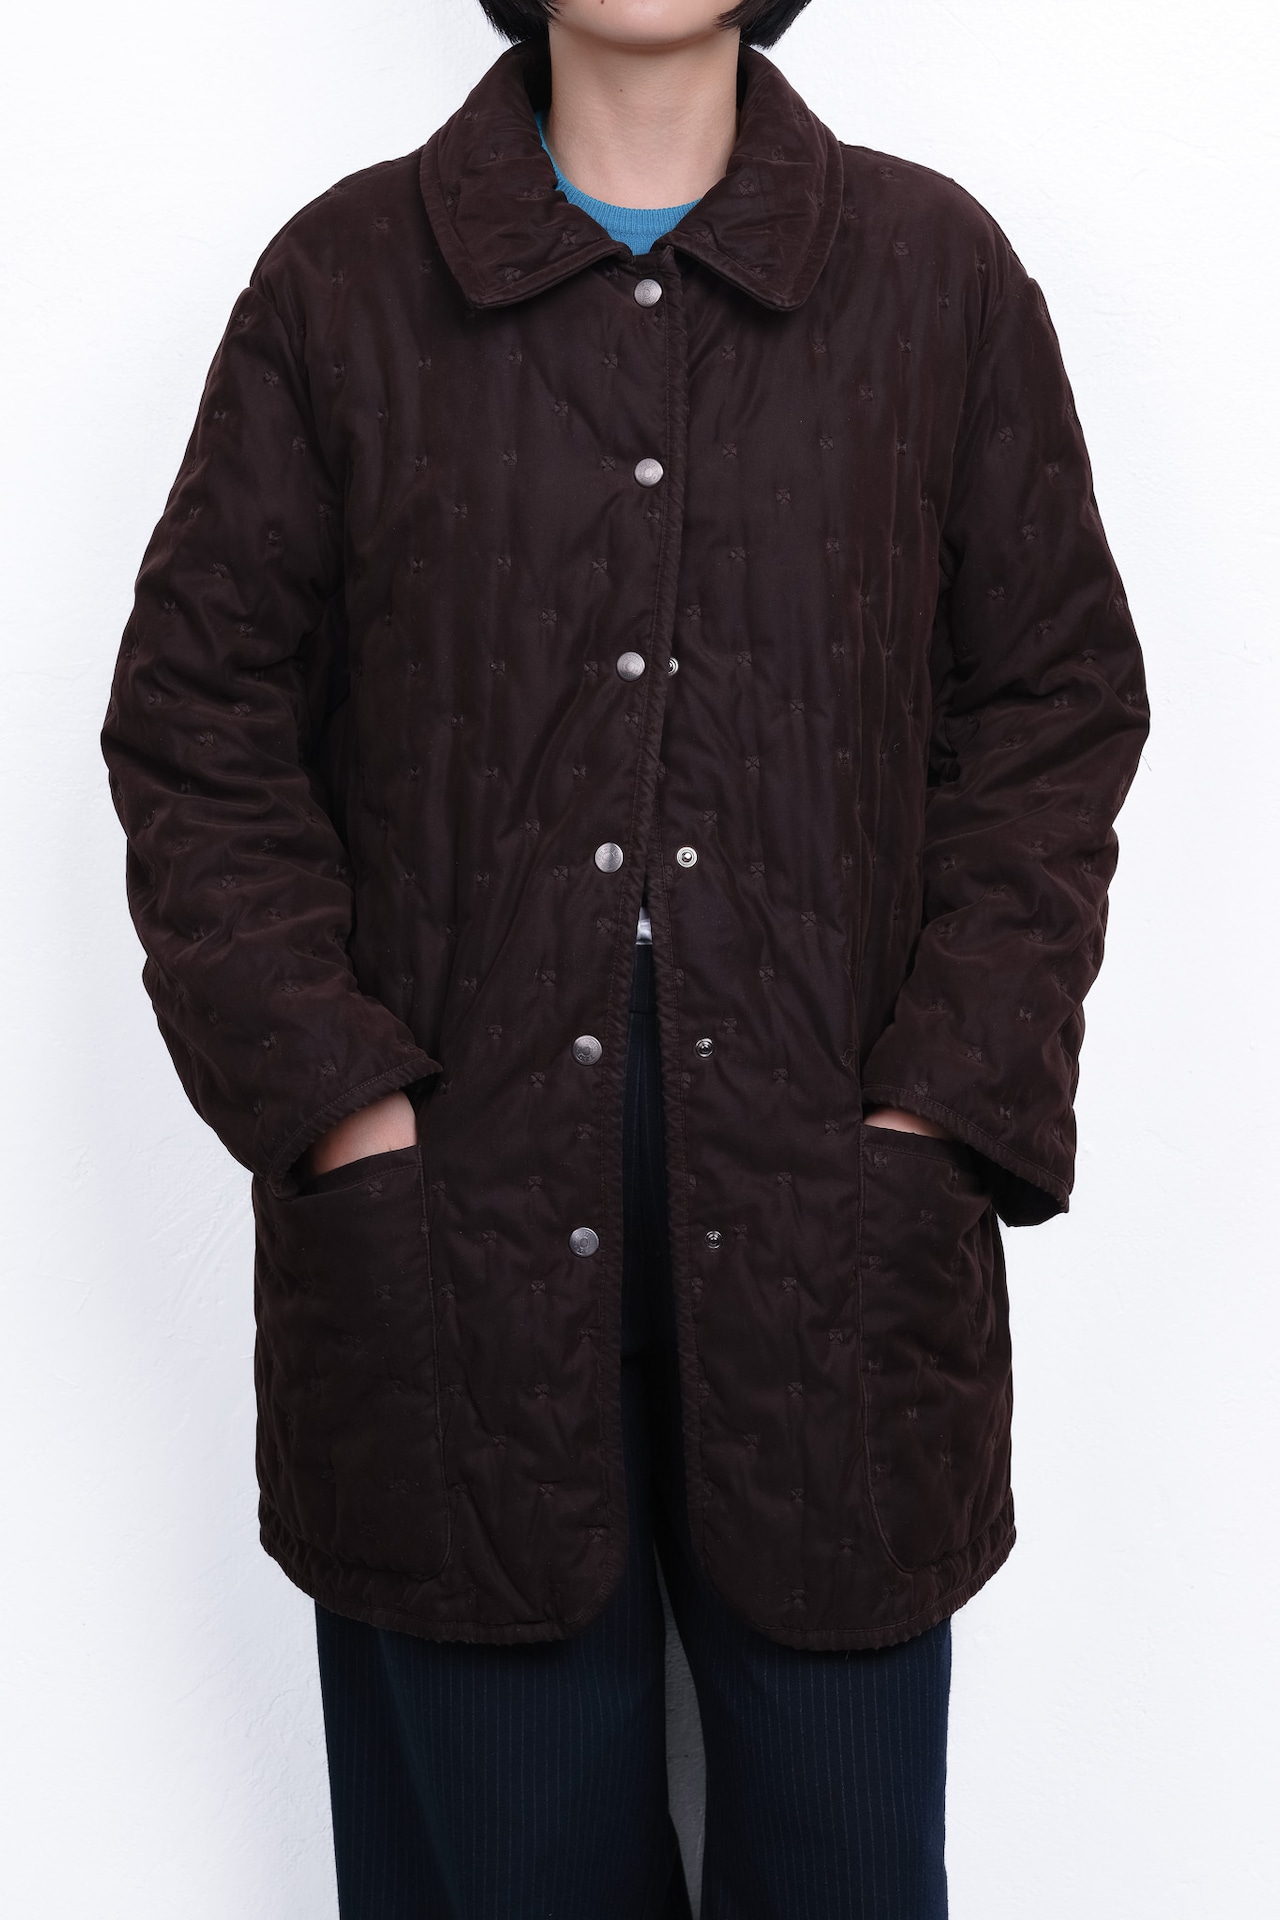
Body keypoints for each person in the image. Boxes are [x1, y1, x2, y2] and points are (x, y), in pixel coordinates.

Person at [101, 0, 1149, 1912]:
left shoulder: (935, 280)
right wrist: (341, 1113)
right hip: (441, 1264)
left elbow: (1053, 707)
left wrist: (941, 1112)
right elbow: (196, 729)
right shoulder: (345, 285)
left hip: (840, 1257)